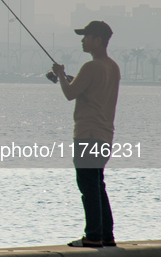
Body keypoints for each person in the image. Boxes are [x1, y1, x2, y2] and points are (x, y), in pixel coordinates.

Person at [52, 21, 120, 248]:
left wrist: (61, 75)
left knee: (88, 187)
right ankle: (106, 236)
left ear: (97, 40)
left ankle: (92, 236)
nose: (82, 40)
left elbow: (70, 93)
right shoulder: (113, 67)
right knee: (98, 185)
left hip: (87, 135)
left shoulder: (91, 67)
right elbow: (92, 91)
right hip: (105, 136)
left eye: (86, 36)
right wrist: (69, 79)